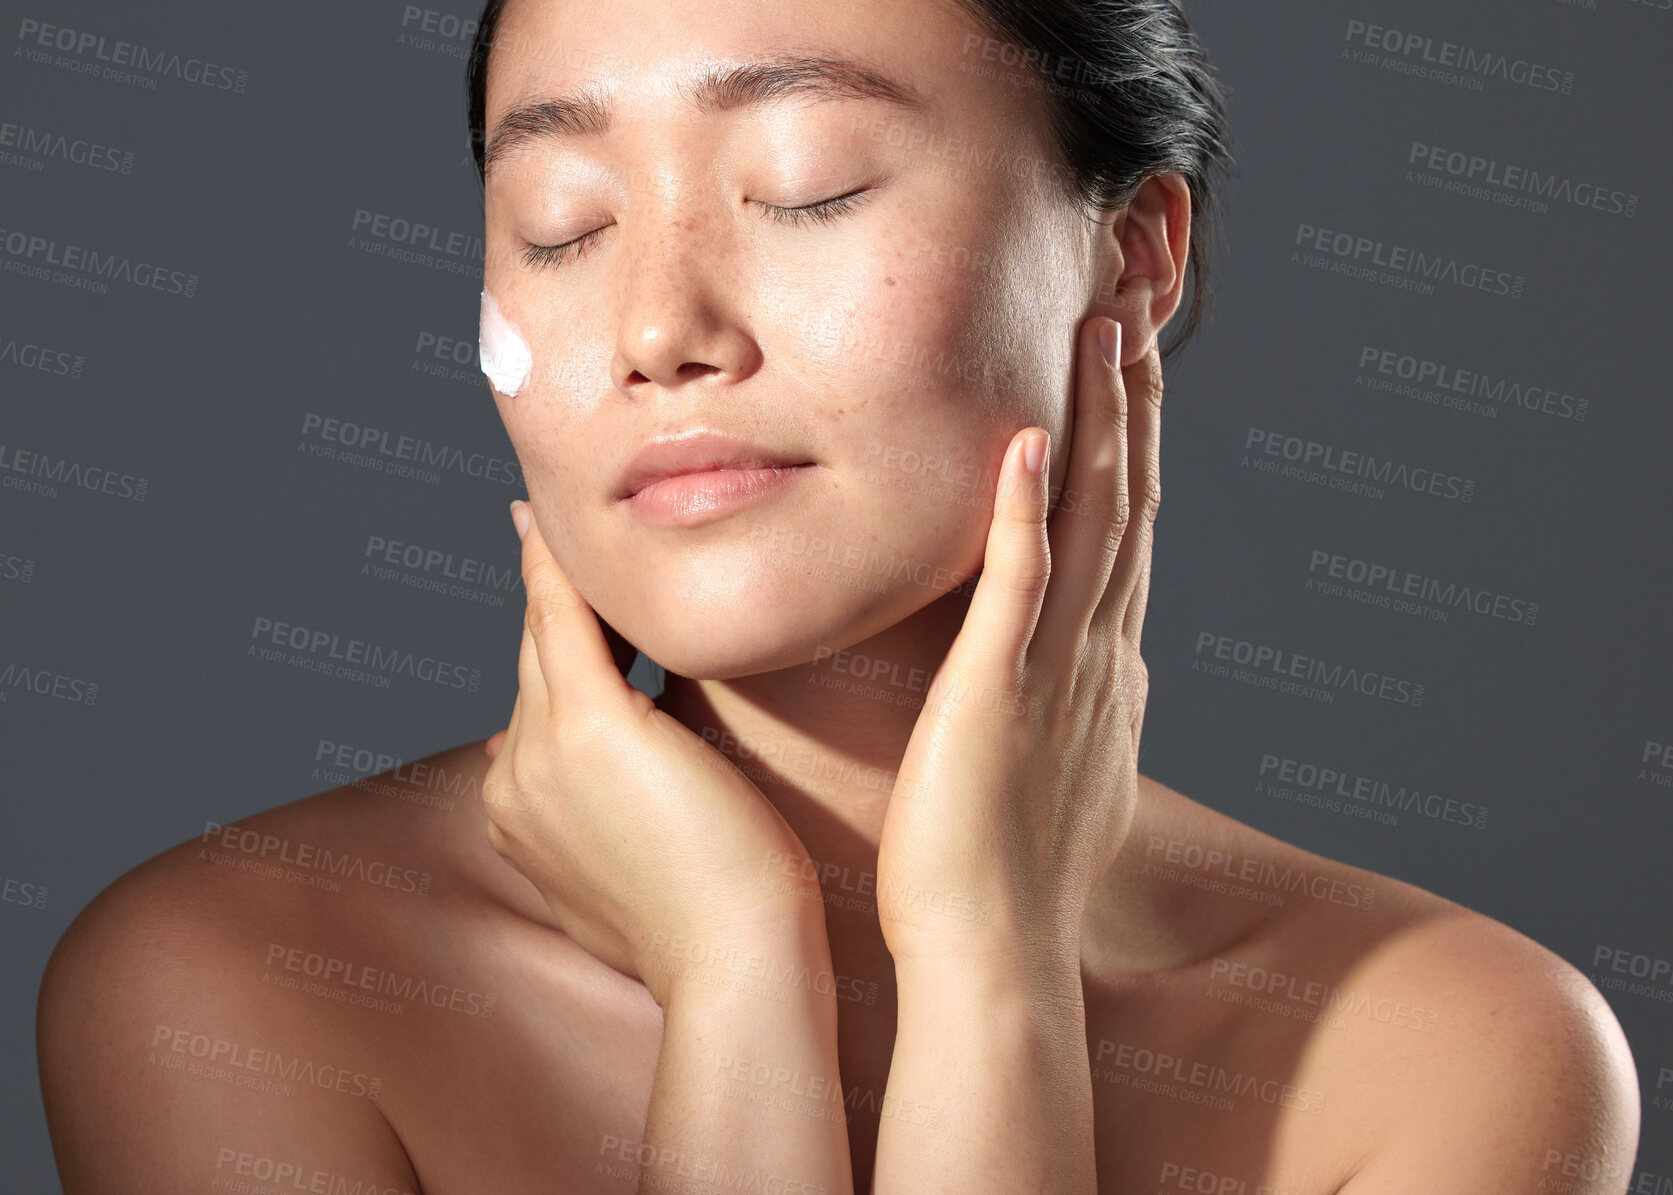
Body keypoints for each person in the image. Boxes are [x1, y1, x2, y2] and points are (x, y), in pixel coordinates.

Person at [37, 0, 1640, 1191]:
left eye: (806, 187)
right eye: (561, 225)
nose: (657, 328)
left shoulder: (1443, 1047)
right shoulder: (240, 981)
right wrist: (742, 969)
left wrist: (985, 962)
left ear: (1135, 254)